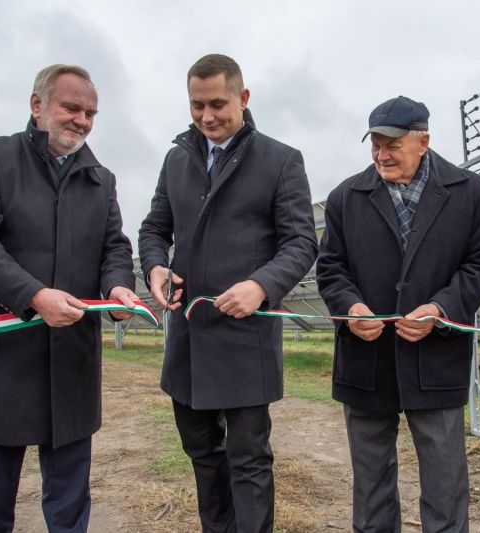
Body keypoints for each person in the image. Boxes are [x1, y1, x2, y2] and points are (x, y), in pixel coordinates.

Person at [0, 64, 138, 532]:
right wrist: (32, 295)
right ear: (38, 105)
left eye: (90, 113)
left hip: (70, 356)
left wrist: (116, 286)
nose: (82, 121)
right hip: (0, 357)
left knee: (69, 502)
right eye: (72, 108)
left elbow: (114, 247)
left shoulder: (101, 179)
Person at [138, 54, 317, 532]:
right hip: (188, 339)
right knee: (201, 451)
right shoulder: (177, 159)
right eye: (197, 105)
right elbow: (154, 228)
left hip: (245, 338)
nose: (207, 116)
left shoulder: (280, 160)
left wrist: (261, 285)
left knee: (249, 458)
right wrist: (155, 266)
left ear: (243, 97)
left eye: (218, 104)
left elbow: (302, 242)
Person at [316, 96, 480, 533]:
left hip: (437, 355)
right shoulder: (345, 197)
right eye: (376, 145)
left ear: (424, 142)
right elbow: (331, 268)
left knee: (444, 479)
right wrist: (350, 308)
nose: (382, 155)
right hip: (366, 356)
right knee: (371, 481)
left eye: (393, 145)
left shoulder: (470, 192)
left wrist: (440, 309)